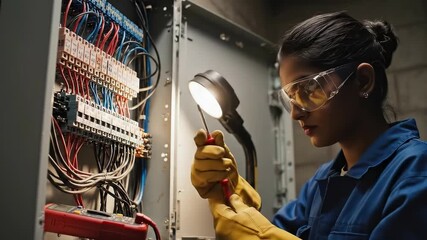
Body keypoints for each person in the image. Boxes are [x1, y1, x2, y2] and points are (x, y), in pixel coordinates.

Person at [190, 11, 427, 240]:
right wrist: (227, 190)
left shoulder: (415, 171)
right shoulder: (323, 182)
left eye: (309, 89)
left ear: (363, 81)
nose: (295, 113)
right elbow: (270, 230)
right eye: (291, 96)